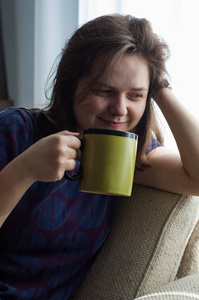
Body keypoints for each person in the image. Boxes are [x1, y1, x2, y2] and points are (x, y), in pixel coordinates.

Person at [0, 14, 199, 299]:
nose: (120, 109)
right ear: (71, 84)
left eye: (135, 96)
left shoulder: (123, 154)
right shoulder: (15, 130)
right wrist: (25, 170)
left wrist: (159, 85)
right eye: (104, 90)